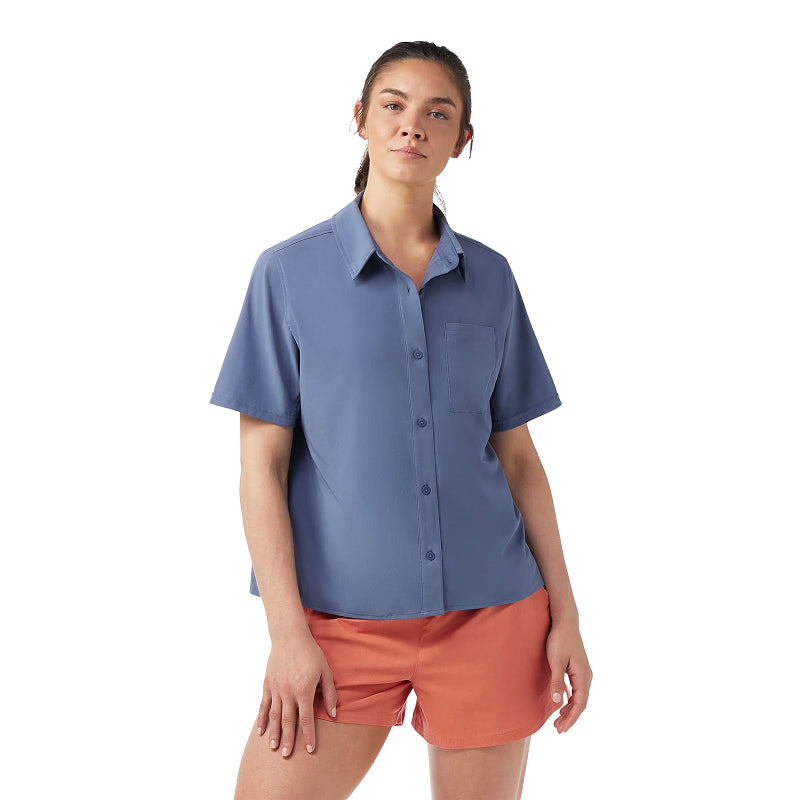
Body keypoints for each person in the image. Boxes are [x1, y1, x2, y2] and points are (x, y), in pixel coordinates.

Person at [210, 40, 592, 800]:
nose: (412, 125)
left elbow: (518, 459)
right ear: (360, 118)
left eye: (438, 113)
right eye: (394, 104)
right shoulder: (288, 273)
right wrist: (286, 635)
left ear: (462, 140)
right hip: (339, 622)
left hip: (494, 613)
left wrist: (567, 616)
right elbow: (261, 467)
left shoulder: (492, 278)